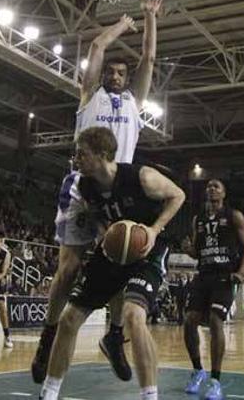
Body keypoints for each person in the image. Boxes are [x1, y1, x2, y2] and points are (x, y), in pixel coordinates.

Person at [32, 0, 163, 384]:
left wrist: (150, 18)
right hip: (81, 187)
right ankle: (49, 334)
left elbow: (150, 61)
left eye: (123, 74)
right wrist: (124, 22)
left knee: (123, 263)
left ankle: (114, 336)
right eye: (113, 72)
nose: (117, 77)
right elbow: (96, 46)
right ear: (104, 75)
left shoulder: (135, 105)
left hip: (120, 191)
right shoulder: (90, 97)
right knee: (69, 268)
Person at [39, 126, 186, 400]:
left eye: (82, 154)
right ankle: (48, 394)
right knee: (69, 319)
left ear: (103, 154)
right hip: (115, 251)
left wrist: (154, 230)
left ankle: (149, 396)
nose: (75, 159)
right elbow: (99, 216)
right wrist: (107, 232)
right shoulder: (85, 186)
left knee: (134, 315)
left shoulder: (142, 177)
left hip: (147, 252)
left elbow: (179, 195)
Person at [183, 179, 244, 399]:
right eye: (209, 186)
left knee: (214, 321)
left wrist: (240, 272)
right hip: (203, 275)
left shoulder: (234, 216)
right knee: (189, 321)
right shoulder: (198, 220)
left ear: (224, 193)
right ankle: (197, 371)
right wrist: (189, 250)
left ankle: (215, 380)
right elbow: (197, 251)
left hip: (224, 276)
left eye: (216, 186)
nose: (211, 189)